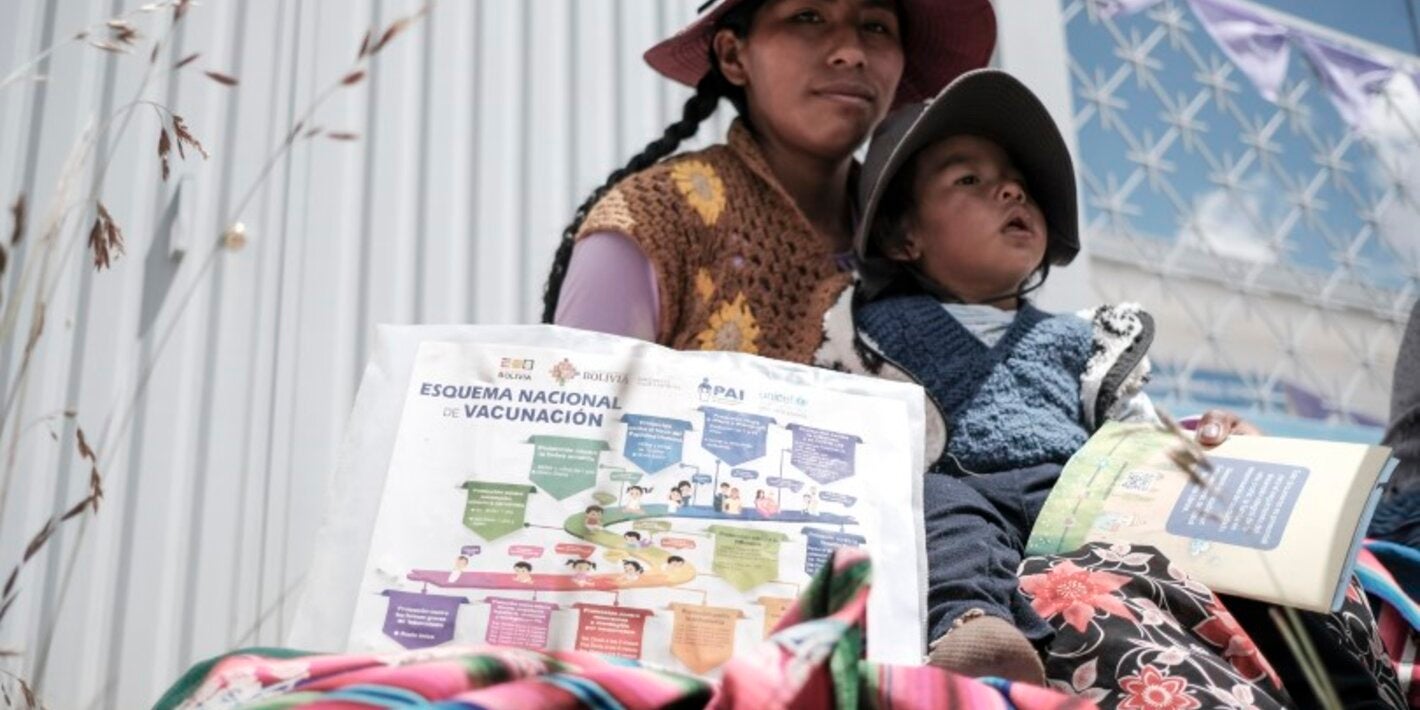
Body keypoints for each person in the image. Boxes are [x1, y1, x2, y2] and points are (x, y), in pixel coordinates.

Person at [814, 69, 1260, 683]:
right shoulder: (869, 331)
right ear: (903, 236)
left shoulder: (1083, 337)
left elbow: (1138, 434)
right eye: (970, 179)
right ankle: (973, 629)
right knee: (940, 510)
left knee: (1153, 526)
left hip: (1075, 500)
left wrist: (1203, 446)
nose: (1011, 194)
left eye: (1019, 185)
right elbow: (835, 421)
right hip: (958, 491)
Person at [543, 0, 995, 365]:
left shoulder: (921, 239)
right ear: (733, 56)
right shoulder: (654, 219)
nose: (852, 51)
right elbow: (571, 440)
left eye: (876, 26)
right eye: (808, 16)